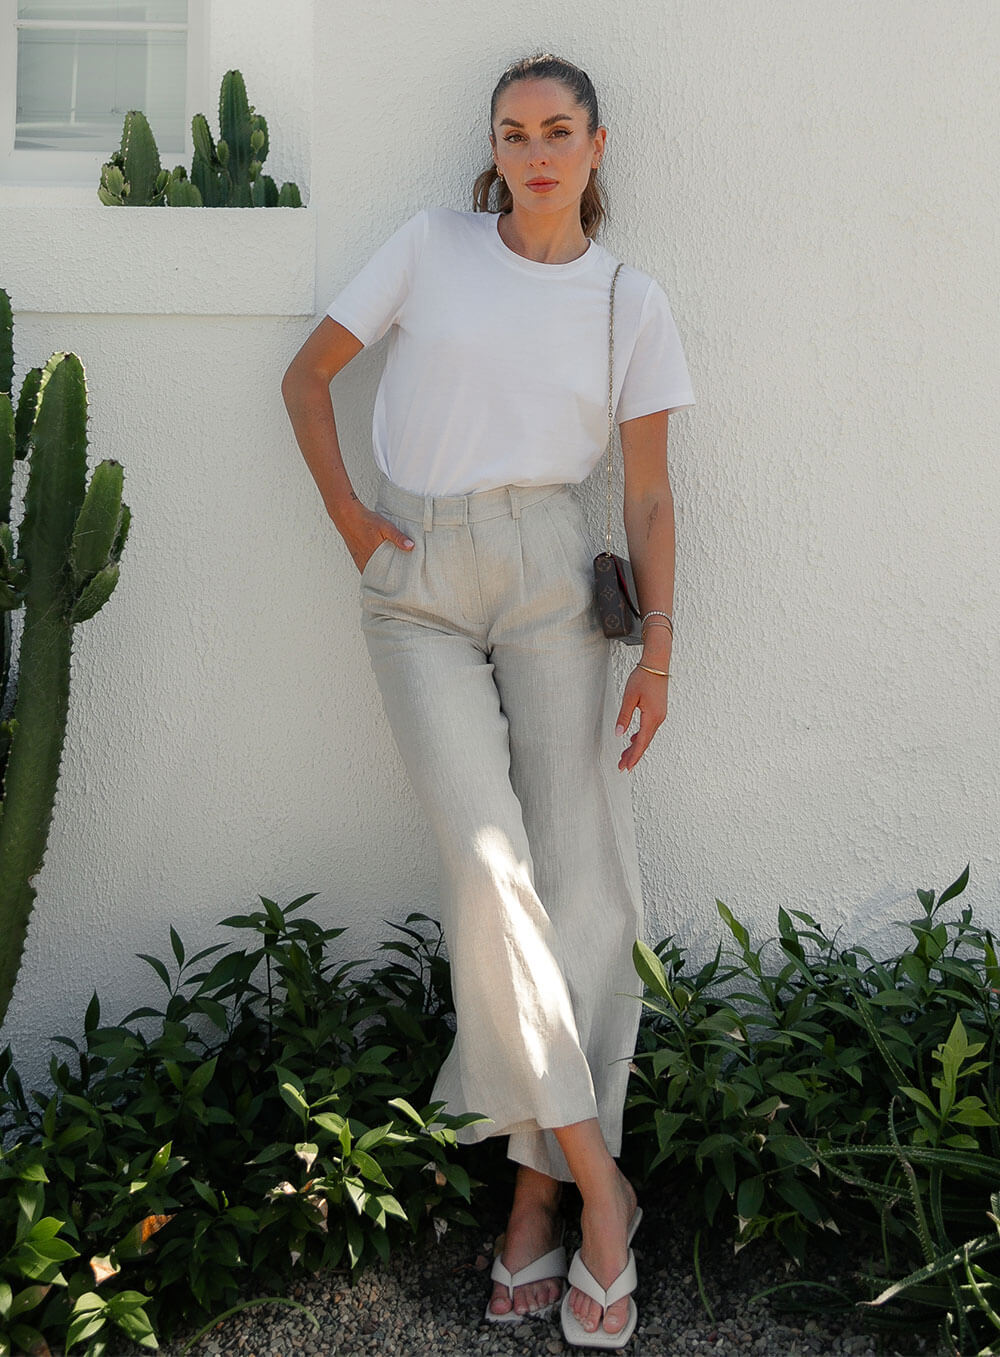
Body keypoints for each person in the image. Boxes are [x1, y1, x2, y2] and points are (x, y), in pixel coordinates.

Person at [281, 52, 694, 1350]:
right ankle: (604, 1188)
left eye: (559, 131)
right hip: (416, 581)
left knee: (585, 888)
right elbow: (307, 377)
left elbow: (647, 496)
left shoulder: (630, 300)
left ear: (597, 144)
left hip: (547, 576)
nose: (536, 153)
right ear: (496, 149)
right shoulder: (430, 246)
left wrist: (663, 653)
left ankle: (532, 1202)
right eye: (515, 133)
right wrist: (355, 520)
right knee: (489, 868)